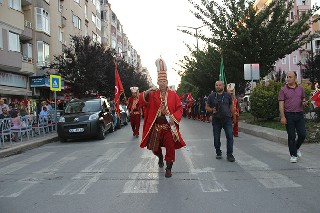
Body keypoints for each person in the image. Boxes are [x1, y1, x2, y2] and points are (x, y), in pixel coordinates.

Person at [139, 58, 186, 178]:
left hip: (168, 127)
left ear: (167, 81)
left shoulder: (173, 95)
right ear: (157, 82)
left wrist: (173, 117)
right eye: (160, 81)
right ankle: (160, 156)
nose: (162, 83)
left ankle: (168, 168)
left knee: (170, 148)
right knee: (154, 148)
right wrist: (149, 90)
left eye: (164, 81)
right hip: (155, 127)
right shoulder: (153, 94)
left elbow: (180, 108)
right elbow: (141, 101)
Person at [278, 71, 307, 163]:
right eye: (287, 77)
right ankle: (293, 155)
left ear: (295, 78)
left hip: (299, 114)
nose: (288, 78)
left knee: (302, 134)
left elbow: (303, 99)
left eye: (290, 77)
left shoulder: (301, 89)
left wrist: (304, 103)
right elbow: (281, 104)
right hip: (289, 115)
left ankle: (296, 148)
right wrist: (283, 116)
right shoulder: (283, 90)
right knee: (291, 136)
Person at [205, 81, 236, 162]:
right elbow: (207, 107)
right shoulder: (211, 96)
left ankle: (230, 155)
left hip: (227, 119)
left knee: (230, 137)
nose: (218, 86)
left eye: (220, 85)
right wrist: (212, 110)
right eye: (216, 85)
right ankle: (218, 152)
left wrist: (234, 117)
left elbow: (231, 106)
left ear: (223, 86)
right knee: (216, 138)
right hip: (216, 120)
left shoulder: (227, 95)